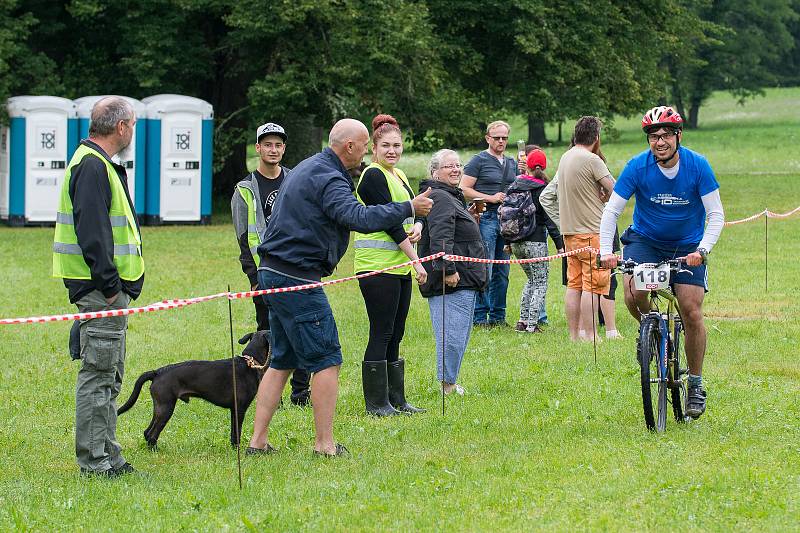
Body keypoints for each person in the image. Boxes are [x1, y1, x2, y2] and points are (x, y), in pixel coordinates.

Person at [246, 119, 434, 456]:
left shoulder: (310, 166)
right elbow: (357, 218)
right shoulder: (330, 176)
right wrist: (409, 207)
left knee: (283, 360)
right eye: (364, 146)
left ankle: (258, 442)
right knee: (327, 359)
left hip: (274, 272)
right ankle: (325, 445)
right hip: (296, 278)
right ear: (350, 146)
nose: (365, 152)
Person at [600, 105, 724, 419]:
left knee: (691, 309)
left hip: (687, 245)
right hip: (646, 241)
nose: (660, 141)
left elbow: (716, 214)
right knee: (632, 293)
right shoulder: (637, 167)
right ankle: (652, 333)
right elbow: (612, 211)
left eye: (666, 135)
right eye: (654, 136)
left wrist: (703, 249)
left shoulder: (697, 166)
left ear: (678, 135)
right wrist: (606, 251)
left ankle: (695, 381)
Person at [52, 96, 143, 477]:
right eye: (132, 126)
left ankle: (109, 455)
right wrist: (109, 288)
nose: (132, 132)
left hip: (106, 291)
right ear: (121, 127)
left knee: (110, 375)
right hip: (100, 290)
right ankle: (94, 463)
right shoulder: (92, 166)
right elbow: (93, 233)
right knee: (98, 376)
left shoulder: (96, 162)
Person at [231, 122, 311, 406]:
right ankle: (267, 390)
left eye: (278, 145)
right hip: (265, 273)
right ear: (258, 148)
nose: (273, 150)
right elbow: (244, 237)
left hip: (297, 269)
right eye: (268, 144)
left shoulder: (294, 180)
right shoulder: (244, 189)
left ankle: (301, 392)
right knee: (270, 333)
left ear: (284, 148)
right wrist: (253, 277)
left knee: (302, 327)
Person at [354, 114, 427, 416]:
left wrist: (420, 224)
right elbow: (391, 223)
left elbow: (414, 209)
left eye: (397, 145)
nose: (392, 151)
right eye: (386, 145)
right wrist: (418, 261)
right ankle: (377, 403)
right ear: (374, 147)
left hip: (398, 267)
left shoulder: (400, 175)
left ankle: (397, 399)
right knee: (381, 331)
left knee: (397, 332)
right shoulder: (372, 176)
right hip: (377, 266)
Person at [414, 149, 488, 395]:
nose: (456, 169)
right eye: (449, 166)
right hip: (454, 278)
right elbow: (441, 235)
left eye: (458, 165)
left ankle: (451, 381)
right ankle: (447, 386)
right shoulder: (441, 197)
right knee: (452, 333)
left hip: (465, 276)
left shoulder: (449, 196)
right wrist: (447, 269)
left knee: (459, 333)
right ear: (435, 172)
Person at [556, 117, 615, 341]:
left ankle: (574, 334)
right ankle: (591, 335)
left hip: (569, 232)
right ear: (596, 137)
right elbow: (615, 189)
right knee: (593, 285)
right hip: (591, 232)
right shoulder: (592, 159)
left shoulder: (565, 157)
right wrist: (605, 195)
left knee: (574, 284)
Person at [461, 121, 517, 327]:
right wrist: (490, 197)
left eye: (504, 138)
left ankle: (498, 317)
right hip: (486, 218)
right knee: (486, 268)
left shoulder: (511, 162)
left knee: (503, 272)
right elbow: (464, 189)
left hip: (507, 221)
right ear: (488, 138)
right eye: (497, 138)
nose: (501, 141)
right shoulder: (478, 161)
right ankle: (479, 316)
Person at [504, 148, 564, 333]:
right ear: (544, 166)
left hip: (516, 242)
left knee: (531, 279)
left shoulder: (515, 184)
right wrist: (560, 244)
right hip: (536, 242)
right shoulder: (541, 188)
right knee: (540, 281)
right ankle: (532, 325)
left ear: (528, 166)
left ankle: (522, 321)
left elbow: (505, 215)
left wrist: (507, 242)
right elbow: (548, 219)